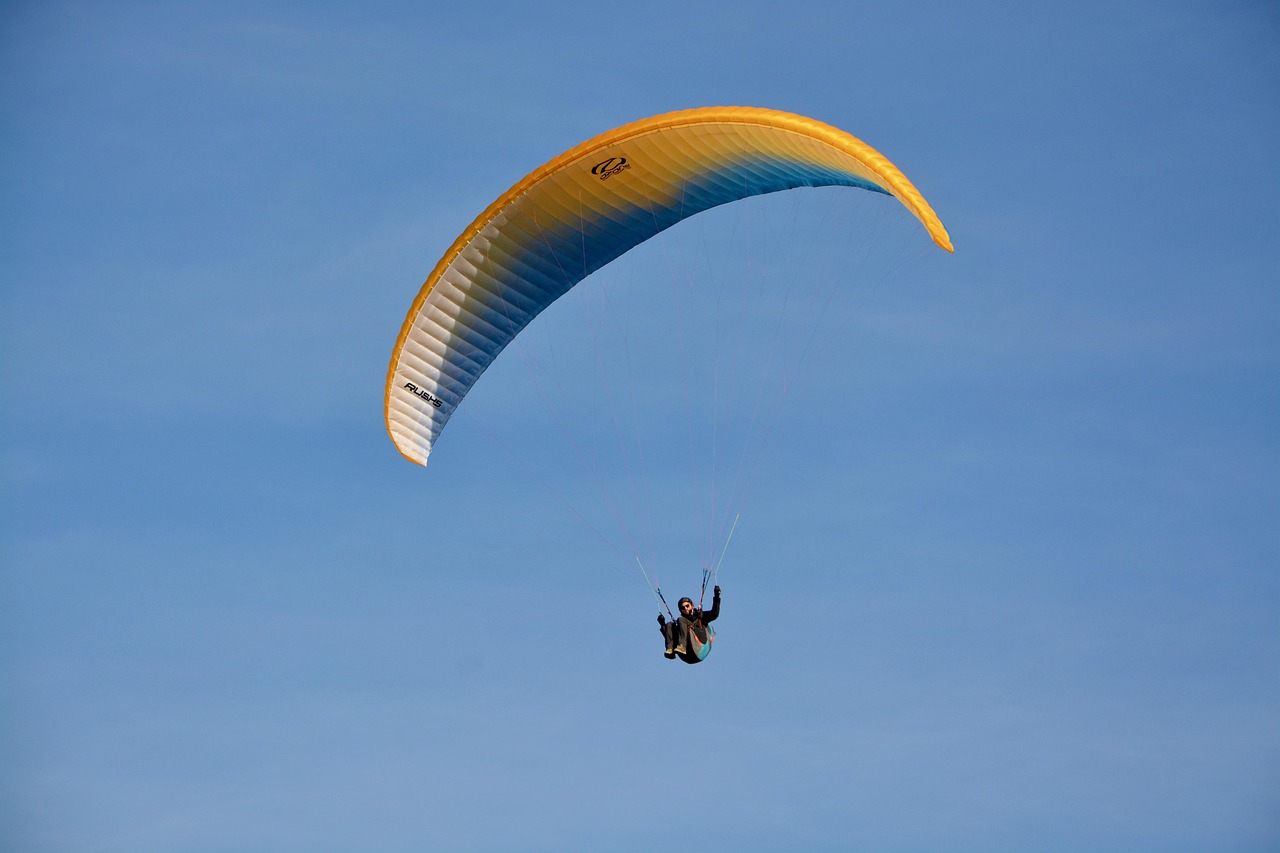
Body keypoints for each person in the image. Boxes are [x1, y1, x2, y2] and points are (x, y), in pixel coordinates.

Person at [657, 585, 720, 661]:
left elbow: (714, 614)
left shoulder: (700, 616)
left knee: (681, 620)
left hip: (698, 648)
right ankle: (670, 650)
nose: (685, 609)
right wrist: (662, 624)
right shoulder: (681, 624)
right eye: (683, 608)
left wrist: (717, 596)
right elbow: (670, 636)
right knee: (669, 625)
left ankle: (682, 646)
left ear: (692, 606)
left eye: (687, 606)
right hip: (687, 656)